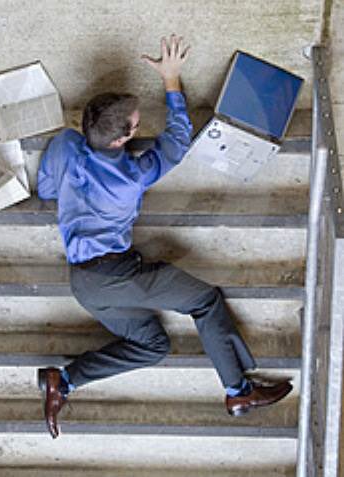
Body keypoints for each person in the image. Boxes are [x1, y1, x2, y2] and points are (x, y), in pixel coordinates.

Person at [37, 35, 292, 439]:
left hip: (84, 285)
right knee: (205, 301)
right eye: (136, 127)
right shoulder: (131, 178)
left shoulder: (65, 145)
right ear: (121, 141)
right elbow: (176, 142)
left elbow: (47, 190)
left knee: (153, 346)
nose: (140, 127)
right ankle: (237, 390)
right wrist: (171, 79)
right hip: (117, 275)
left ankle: (66, 381)